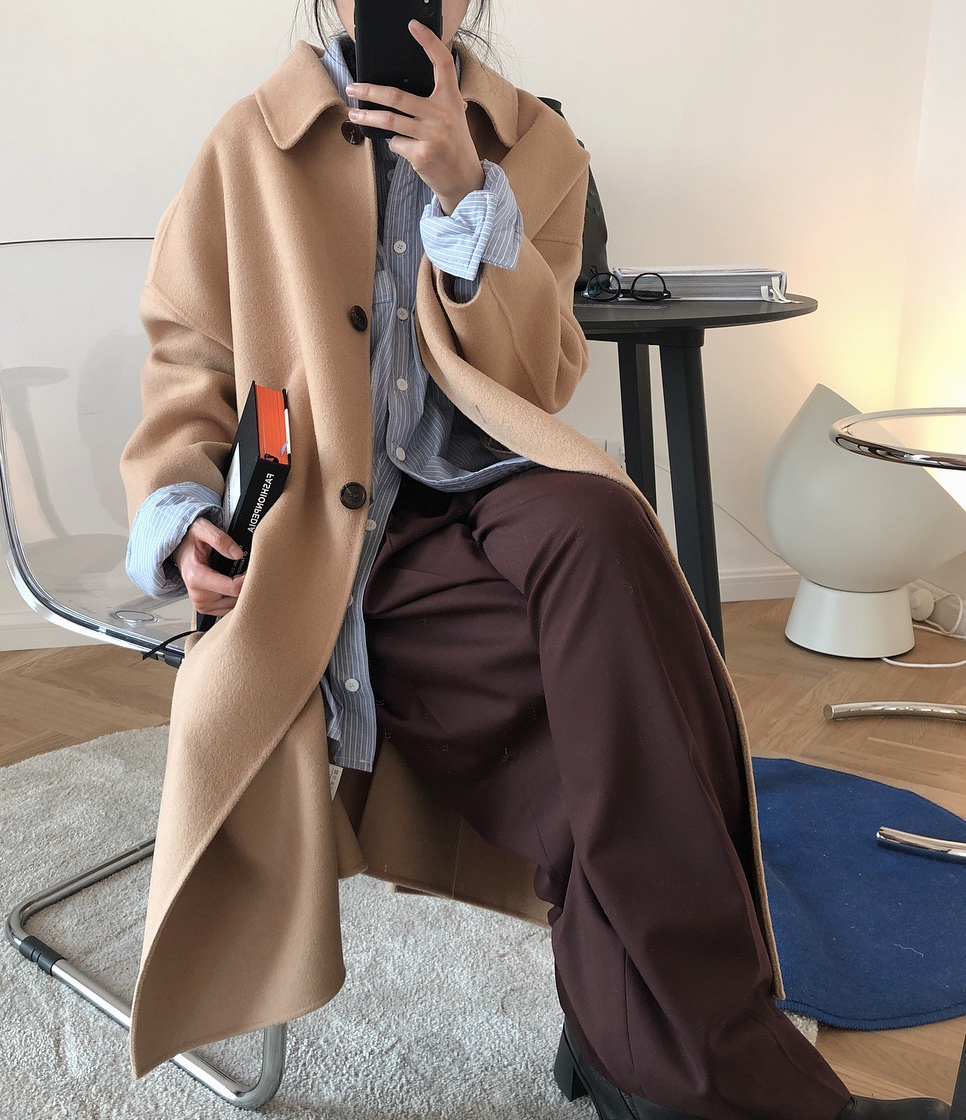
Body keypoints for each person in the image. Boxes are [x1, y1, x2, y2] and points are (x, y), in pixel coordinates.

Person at [123, 4, 952, 1120]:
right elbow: (187, 359)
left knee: (605, 523)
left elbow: (536, 381)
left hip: (493, 488)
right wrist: (182, 517)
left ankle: (654, 1058)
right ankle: (687, 1065)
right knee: (618, 735)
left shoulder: (539, 151)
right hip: (341, 536)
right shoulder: (248, 146)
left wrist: (466, 194)